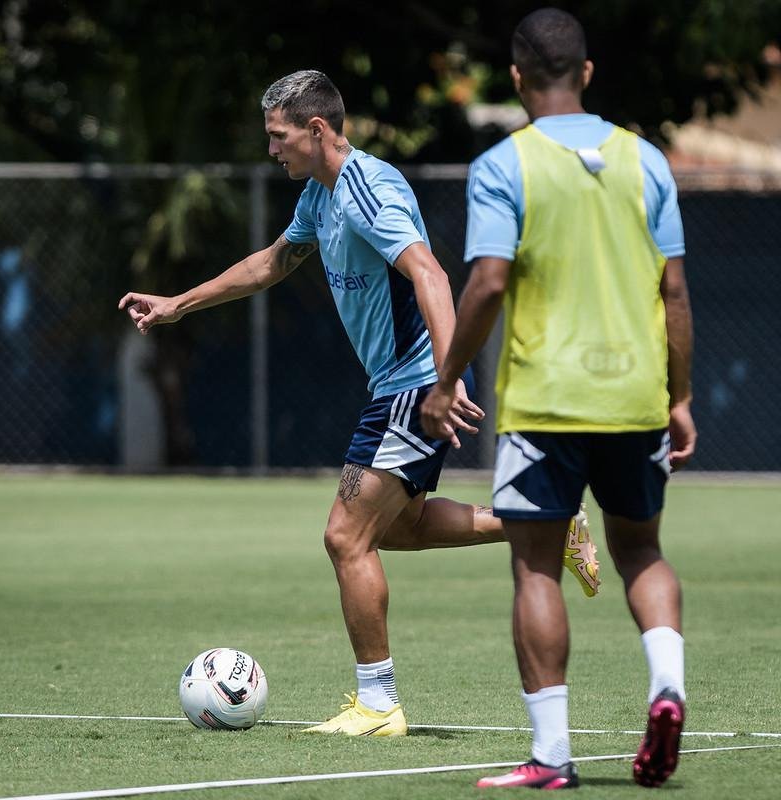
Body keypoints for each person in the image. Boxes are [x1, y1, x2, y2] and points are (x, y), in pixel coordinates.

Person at [119, 69, 597, 738]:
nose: (271, 149)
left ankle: (379, 704)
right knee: (394, 530)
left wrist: (447, 375)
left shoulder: (369, 189)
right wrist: (177, 304)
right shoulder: (322, 193)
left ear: (316, 130)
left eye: (278, 136)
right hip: (398, 384)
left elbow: (428, 270)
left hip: (413, 383)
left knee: (345, 534)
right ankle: (547, 519)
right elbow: (272, 263)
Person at [422, 8, 695, 790]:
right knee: (640, 549)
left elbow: (488, 282)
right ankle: (667, 687)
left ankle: (551, 757)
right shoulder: (648, 162)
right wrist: (679, 397)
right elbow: (674, 292)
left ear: (514, 78)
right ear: (587, 73)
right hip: (636, 395)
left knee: (536, 567)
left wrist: (445, 381)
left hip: (546, 402)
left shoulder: (505, 166)